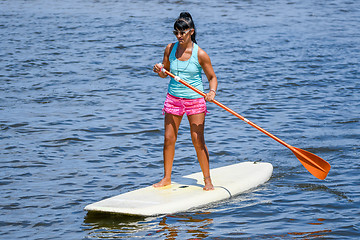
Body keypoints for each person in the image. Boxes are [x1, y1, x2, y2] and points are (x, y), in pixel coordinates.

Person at [153, 12, 218, 191]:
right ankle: (166, 178)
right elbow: (164, 73)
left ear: (191, 32)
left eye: (182, 33)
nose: (179, 37)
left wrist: (211, 92)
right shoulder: (170, 49)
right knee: (168, 139)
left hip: (195, 100)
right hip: (173, 98)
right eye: (176, 33)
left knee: (198, 141)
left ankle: (207, 180)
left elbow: (212, 78)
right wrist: (159, 70)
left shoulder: (200, 54)